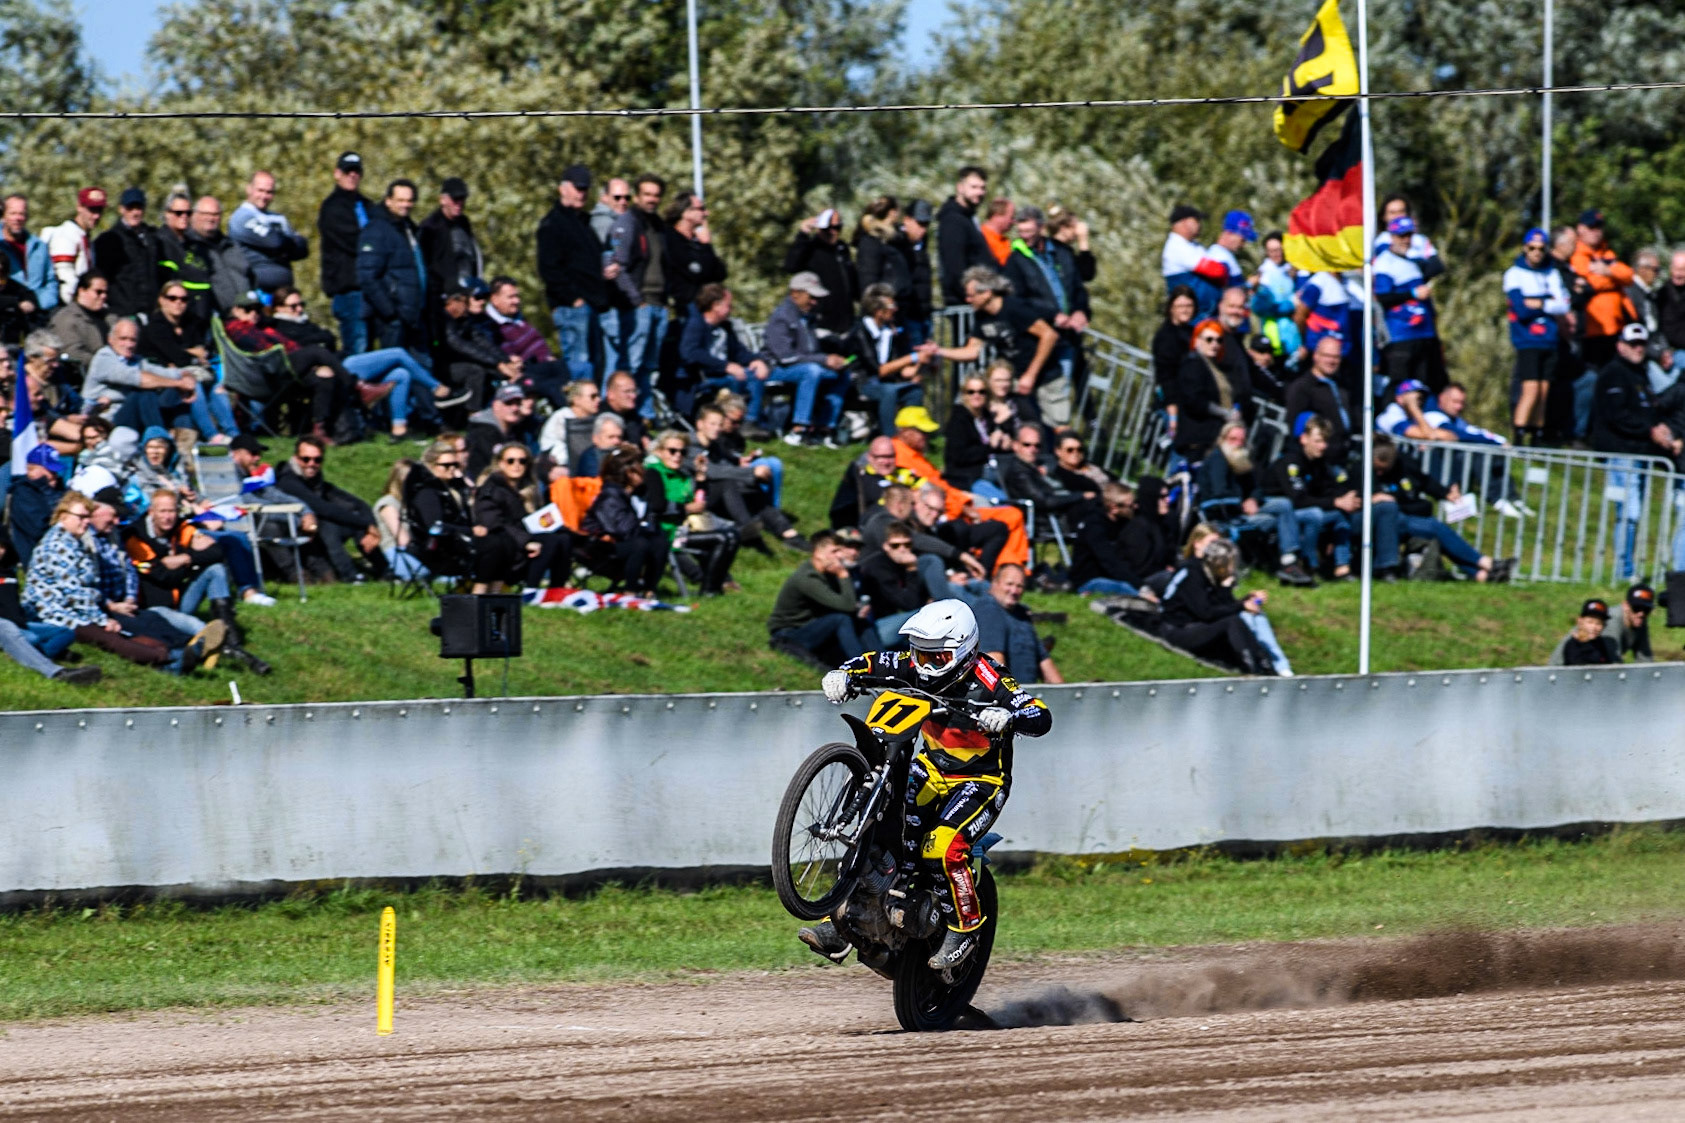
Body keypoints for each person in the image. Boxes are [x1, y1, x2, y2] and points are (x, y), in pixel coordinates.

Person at [805, 598, 1051, 972]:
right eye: (918, 654)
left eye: (936, 658)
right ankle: (841, 920)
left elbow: (1039, 714)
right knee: (875, 821)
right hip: (930, 769)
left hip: (980, 780)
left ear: (964, 651)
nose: (923, 665)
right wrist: (844, 674)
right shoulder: (915, 664)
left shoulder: (991, 677)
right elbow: (875, 661)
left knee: (943, 848)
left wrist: (1009, 716)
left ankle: (965, 927)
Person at [23, 490, 223, 673]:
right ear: (63, 515)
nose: (86, 522)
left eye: (87, 517)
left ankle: (182, 654)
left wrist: (119, 602)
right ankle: (172, 657)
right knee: (110, 637)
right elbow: (75, 593)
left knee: (142, 622)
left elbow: (119, 574)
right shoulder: (59, 545)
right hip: (56, 614)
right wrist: (103, 618)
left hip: (80, 609)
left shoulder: (73, 541)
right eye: (81, 517)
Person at [1592, 322, 1679, 580]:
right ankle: (1624, 570)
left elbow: (1648, 410)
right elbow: (1617, 414)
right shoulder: (1613, 374)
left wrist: (1659, 427)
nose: (1638, 349)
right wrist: (1650, 430)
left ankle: (1627, 567)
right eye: (1633, 344)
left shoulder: (1639, 374)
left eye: (1641, 344)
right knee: (1629, 513)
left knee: (1634, 512)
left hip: (1637, 454)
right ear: (1621, 345)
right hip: (1621, 454)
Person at [1369, 435, 1511, 583]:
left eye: (1384, 469)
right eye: (1377, 469)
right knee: (1434, 528)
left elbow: (1424, 481)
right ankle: (1487, 563)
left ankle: (1481, 575)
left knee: (1435, 531)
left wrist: (1446, 493)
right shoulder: (1362, 469)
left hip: (1405, 517)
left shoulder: (1404, 463)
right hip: (1386, 520)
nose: (1380, 473)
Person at [928, 266, 1061, 423]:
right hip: (1015, 378)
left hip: (1046, 376)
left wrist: (1031, 375)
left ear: (987, 293)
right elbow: (972, 351)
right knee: (1019, 423)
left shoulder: (1014, 308)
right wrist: (939, 351)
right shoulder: (982, 317)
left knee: (1057, 425)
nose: (967, 300)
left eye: (971, 296)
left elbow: (1049, 335)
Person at [535, 164, 612, 384]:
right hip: (573, 309)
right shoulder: (553, 224)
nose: (582, 193)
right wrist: (574, 300)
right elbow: (549, 269)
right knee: (580, 367)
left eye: (585, 189)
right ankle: (581, 415)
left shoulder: (584, 222)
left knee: (596, 367)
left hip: (593, 307)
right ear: (563, 189)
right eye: (578, 188)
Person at [1258, 415, 1356, 584]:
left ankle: (1342, 567)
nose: (1323, 446)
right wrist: (1335, 502)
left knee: (1340, 514)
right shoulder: (1291, 462)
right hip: (1275, 510)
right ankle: (1307, 564)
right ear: (1304, 439)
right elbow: (1298, 500)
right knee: (1315, 514)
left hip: (1298, 510)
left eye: (1325, 441)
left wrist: (1345, 499)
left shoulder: (1319, 463)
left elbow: (1329, 489)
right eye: (1318, 441)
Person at [275, 435, 384, 583]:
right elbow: (324, 509)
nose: (311, 464)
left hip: (315, 535)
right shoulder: (287, 481)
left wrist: (370, 526)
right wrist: (365, 524)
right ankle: (350, 576)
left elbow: (358, 504)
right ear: (296, 458)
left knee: (355, 521)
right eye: (305, 459)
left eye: (317, 460)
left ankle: (385, 571)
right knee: (329, 524)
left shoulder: (317, 482)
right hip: (293, 536)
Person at [1159, 537, 1276, 675]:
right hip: (1178, 630)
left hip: (1198, 627)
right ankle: (1251, 668)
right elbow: (1206, 613)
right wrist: (1242, 606)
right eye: (1231, 565)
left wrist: (1242, 599)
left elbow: (1223, 608)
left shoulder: (1211, 575)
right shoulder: (1193, 574)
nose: (1233, 569)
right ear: (1220, 564)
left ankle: (1265, 664)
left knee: (1235, 620)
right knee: (1232, 621)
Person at [645, 429, 739, 594]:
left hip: (681, 529)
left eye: (682, 452)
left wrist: (701, 476)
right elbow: (657, 506)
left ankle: (715, 585)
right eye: (672, 451)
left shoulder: (682, 475)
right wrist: (686, 508)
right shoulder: (653, 472)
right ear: (660, 451)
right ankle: (710, 590)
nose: (677, 455)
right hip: (664, 532)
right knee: (721, 538)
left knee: (732, 535)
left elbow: (699, 501)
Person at [470, 441, 571, 593]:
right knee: (550, 541)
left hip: (521, 537)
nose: (516, 465)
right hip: (504, 547)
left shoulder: (527, 488)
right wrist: (525, 542)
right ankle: (531, 590)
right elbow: (494, 523)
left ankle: (557, 589)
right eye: (510, 461)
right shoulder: (491, 489)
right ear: (500, 464)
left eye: (522, 461)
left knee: (564, 537)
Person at [761, 272, 849, 445]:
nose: (814, 302)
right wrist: (823, 360)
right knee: (811, 371)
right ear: (795, 293)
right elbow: (785, 357)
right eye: (811, 297)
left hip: (801, 367)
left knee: (842, 374)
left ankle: (826, 428)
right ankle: (799, 429)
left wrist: (832, 361)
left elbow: (810, 352)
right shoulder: (782, 316)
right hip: (775, 369)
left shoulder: (808, 318)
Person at [1502, 227, 1572, 444]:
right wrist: (1548, 304)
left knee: (1544, 390)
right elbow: (1521, 310)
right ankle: (1519, 433)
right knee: (1530, 389)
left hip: (1549, 340)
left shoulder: (1551, 273)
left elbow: (1563, 305)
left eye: (1541, 249)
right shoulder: (1514, 274)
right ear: (1525, 248)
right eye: (1532, 248)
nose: (1536, 252)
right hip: (1528, 339)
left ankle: (1537, 434)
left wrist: (1539, 303)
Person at [606, 173, 671, 395]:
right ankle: (619, 418)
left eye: (656, 195)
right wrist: (636, 300)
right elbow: (617, 266)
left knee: (649, 368)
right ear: (637, 196)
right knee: (630, 367)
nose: (652, 199)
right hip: (638, 306)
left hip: (659, 303)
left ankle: (643, 419)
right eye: (647, 194)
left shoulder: (658, 226)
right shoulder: (627, 223)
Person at [767, 530, 866, 667]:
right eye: (835, 551)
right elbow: (847, 605)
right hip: (790, 634)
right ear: (818, 553)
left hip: (811, 627)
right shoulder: (808, 578)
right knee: (841, 619)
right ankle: (863, 667)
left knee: (861, 622)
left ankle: (881, 666)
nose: (840, 556)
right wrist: (843, 575)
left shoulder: (826, 574)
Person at [843, 283, 926, 437]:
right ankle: (889, 438)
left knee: (914, 391)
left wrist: (923, 360)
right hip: (862, 383)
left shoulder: (889, 333)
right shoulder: (861, 332)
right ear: (878, 311)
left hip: (885, 384)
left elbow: (904, 371)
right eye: (891, 305)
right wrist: (913, 357)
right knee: (889, 392)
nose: (895, 308)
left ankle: (911, 436)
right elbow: (879, 370)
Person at [1374, 215, 1445, 393]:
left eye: (1409, 236)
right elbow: (1383, 298)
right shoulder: (1384, 263)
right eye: (1401, 236)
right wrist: (1413, 293)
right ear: (1391, 237)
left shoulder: (1413, 262)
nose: (1406, 240)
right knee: (1399, 388)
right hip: (1401, 337)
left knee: (1422, 388)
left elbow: (1439, 267)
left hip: (1423, 334)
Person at [582, 447, 667, 595]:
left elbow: (650, 517)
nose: (645, 472)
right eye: (642, 468)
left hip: (629, 538)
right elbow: (620, 528)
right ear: (630, 473)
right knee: (640, 544)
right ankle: (630, 590)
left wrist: (649, 527)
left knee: (660, 541)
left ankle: (649, 589)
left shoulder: (639, 493)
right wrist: (643, 526)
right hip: (603, 545)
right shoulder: (610, 495)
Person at [676, 284, 769, 418]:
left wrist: (757, 360)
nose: (731, 309)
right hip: (703, 376)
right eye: (728, 305)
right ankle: (729, 419)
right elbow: (690, 353)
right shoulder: (695, 325)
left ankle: (750, 421)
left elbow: (739, 352)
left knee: (754, 375)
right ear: (716, 305)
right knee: (736, 379)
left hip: (724, 373)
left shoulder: (725, 327)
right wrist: (725, 366)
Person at [357, 179, 426, 353]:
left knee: (422, 369)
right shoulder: (377, 230)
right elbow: (367, 276)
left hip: (413, 316)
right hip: (393, 319)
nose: (406, 205)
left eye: (409, 200)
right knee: (395, 369)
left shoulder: (409, 229)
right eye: (400, 200)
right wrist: (391, 313)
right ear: (388, 201)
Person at [316, 151, 371, 355]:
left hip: (371, 288)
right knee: (357, 347)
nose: (353, 176)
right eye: (348, 171)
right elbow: (354, 242)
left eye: (356, 171)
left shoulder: (366, 205)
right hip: (349, 290)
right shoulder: (332, 208)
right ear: (337, 173)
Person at [1570, 209, 1635, 373]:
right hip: (1593, 331)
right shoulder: (1576, 254)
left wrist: (1608, 271)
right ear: (1581, 229)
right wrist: (1615, 279)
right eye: (1592, 227)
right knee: (1594, 378)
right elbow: (1591, 283)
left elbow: (1628, 275)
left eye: (1599, 227)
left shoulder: (1606, 253)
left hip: (1615, 327)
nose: (1596, 232)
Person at [400, 440, 474, 580]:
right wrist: (470, 531)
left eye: (455, 464)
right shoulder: (426, 492)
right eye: (446, 465)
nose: (452, 468)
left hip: (455, 544)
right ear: (430, 466)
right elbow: (434, 526)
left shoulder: (454, 489)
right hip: (436, 550)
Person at [418, 178, 483, 334]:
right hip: (443, 304)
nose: (459, 203)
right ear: (443, 199)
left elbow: (472, 258)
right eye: (455, 199)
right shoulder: (429, 228)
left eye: (462, 199)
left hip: (467, 297)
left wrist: (473, 292)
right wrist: (447, 298)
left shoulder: (464, 223)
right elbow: (426, 269)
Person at [228, 171, 309, 295]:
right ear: (249, 189)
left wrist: (285, 243)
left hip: (283, 293)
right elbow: (275, 242)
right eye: (260, 190)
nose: (264, 196)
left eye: (269, 192)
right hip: (256, 291)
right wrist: (285, 243)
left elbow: (302, 249)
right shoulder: (241, 217)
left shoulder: (278, 218)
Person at [1172, 318, 1243, 460]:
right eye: (1209, 339)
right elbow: (1194, 400)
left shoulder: (1216, 368)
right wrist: (1224, 413)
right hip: (1195, 439)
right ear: (1197, 340)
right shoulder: (1193, 363)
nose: (1214, 344)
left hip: (1210, 440)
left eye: (1219, 340)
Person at [1283, 335, 1354, 463]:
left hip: (1344, 453)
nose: (1331, 361)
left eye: (1336, 357)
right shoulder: (1303, 387)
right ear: (1316, 356)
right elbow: (1293, 425)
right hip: (1319, 458)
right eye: (1327, 356)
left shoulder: (1341, 386)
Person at [90, 188, 159, 318]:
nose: (135, 213)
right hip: (123, 313)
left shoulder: (153, 238)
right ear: (121, 209)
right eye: (130, 208)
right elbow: (102, 276)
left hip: (151, 312)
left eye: (138, 208)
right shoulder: (109, 240)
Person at [1549, 584, 1652, 666]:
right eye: (1636, 608)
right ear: (1625, 606)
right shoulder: (1612, 621)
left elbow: (1645, 659)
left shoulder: (1640, 620)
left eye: (1646, 610)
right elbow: (1613, 666)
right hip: (1561, 670)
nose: (1641, 613)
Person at [661, 190, 726, 317]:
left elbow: (720, 274)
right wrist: (706, 246)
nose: (706, 213)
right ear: (686, 213)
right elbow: (697, 271)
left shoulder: (697, 241)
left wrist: (706, 246)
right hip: (687, 307)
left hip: (705, 308)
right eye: (701, 209)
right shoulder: (670, 238)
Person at [1070, 482, 1142, 597]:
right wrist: (1141, 587)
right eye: (1131, 505)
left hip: (1113, 576)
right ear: (1114, 508)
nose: (1135, 507)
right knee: (1129, 589)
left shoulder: (1124, 522)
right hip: (1089, 581)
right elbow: (1110, 561)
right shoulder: (1094, 526)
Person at [936, 166, 991, 307]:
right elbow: (954, 266)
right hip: (967, 303)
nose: (979, 192)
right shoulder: (953, 221)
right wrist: (971, 296)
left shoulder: (969, 219)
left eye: (982, 188)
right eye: (974, 187)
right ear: (960, 187)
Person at [42, 187, 106, 305]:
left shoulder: (85, 236)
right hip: (69, 307)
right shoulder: (66, 235)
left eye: (99, 210)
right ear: (79, 207)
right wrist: (80, 306)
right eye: (92, 210)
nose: (96, 216)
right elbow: (65, 280)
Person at [1190, 209, 1255, 316]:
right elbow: (1226, 292)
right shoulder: (1219, 257)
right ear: (1229, 233)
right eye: (1242, 240)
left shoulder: (1225, 255)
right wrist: (1249, 285)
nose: (1243, 245)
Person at [1, 193, 57, 313]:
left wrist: (38, 303)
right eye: (13, 213)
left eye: (21, 214)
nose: (18, 218)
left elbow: (51, 281)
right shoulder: (1, 246)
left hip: (39, 312)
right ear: (4, 216)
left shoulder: (39, 246)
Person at [47, 269, 113, 369]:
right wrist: (106, 364)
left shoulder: (109, 316)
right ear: (82, 291)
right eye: (98, 292)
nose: (104, 296)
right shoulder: (66, 319)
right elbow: (72, 353)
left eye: (106, 292)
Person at [1151, 285, 1197, 393]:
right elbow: (1165, 374)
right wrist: (1172, 405)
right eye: (1180, 306)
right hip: (1174, 398)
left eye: (1189, 306)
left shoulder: (1193, 332)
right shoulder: (1166, 336)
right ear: (1171, 308)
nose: (1185, 310)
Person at [1556, 598, 1620, 666]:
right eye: (1590, 622)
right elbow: (1580, 668)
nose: (1594, 627)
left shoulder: (1601, 643)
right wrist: (1584, 644)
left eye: (1599, 623)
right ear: (1580, 621)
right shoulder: (1573, 644)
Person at [1160, 204, 1205, 294]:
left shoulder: (1193, 244)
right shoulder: (1176, 246)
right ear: (1184, 221)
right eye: (1196, 220)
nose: (1199, 224)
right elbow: (1213, 270)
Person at [979, 198, 1015, 267]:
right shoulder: (981, 237)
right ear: (997, 216)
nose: (1013, 222)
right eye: (1011, 217)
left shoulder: (1005, 240)